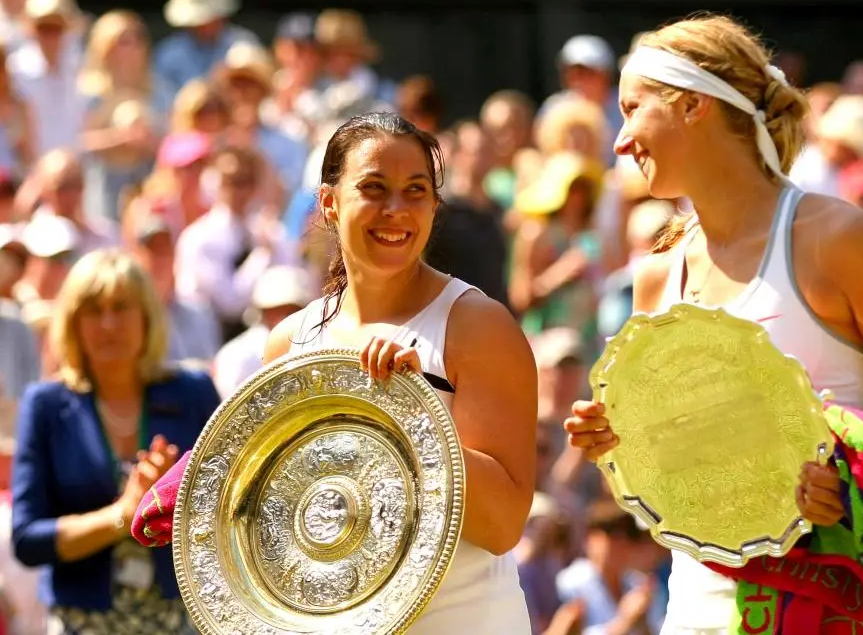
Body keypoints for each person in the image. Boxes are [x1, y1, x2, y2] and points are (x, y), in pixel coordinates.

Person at [562, 14, 863, 634]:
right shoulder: (655, 274)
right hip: (696, 606)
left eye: (632, 109)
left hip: (833, 602)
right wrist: (620, 436)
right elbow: (682, 461)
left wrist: (851, 477)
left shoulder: (838, 239)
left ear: (694, 105)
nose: (620, 141)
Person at [138, 112, 538, 634]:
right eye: (374, 188)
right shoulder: (290, 343)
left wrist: (409, 415)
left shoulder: (477, 325)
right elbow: (276, 526)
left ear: (434, 207)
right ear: (328, 202)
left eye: (415, 191)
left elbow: (503, 525)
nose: (396, 210)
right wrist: (199, 492)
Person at [10, 248, 219, 634]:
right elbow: (27, 540)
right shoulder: (46, 405)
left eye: (121, 307)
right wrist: (123, 513)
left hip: (179, 616)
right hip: (82, 622)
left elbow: (229, 507)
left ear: (147, 317)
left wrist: (171, 496)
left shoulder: (194, 394)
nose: (108, 323)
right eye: (93, 310)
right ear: (72, 323)